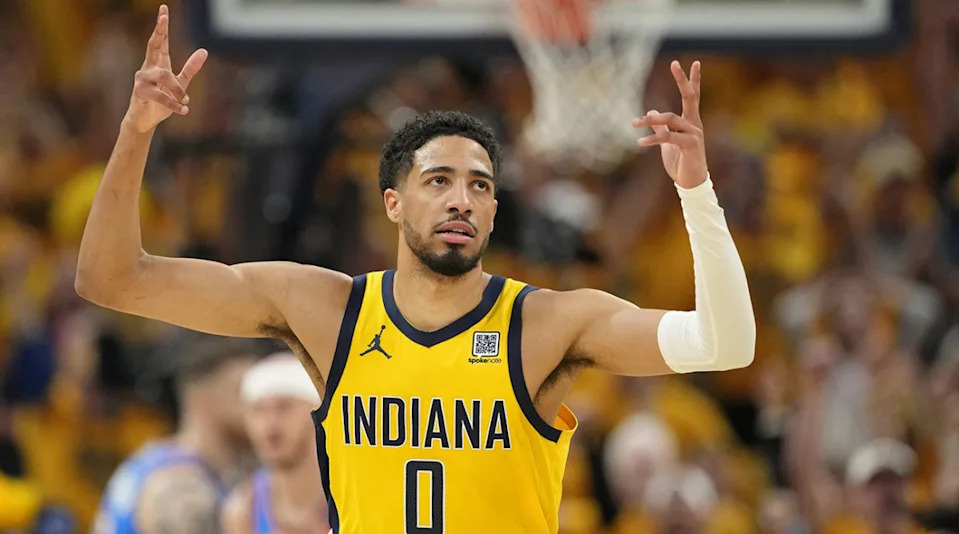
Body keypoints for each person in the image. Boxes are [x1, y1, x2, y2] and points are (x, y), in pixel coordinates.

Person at [75, 5, 755, 532]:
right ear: (393, 204)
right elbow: (112, 280)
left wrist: (694, 191)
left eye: (481, 186)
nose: (462, 198)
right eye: (439, 180)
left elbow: (724, 344)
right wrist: (135, 132)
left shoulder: (546, 324)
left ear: (491, 215)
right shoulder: (327, 312)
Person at [92, 337, 257, 534]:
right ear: (199, 397)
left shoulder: (161, 462)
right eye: (240, 391)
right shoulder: (177, 485)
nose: (256, 407)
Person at [222, 353, 330, 534]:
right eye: (258, 411)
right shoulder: (243, 511)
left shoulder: (349, 497)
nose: (270, 426)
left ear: (317, 412)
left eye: (284, 407)